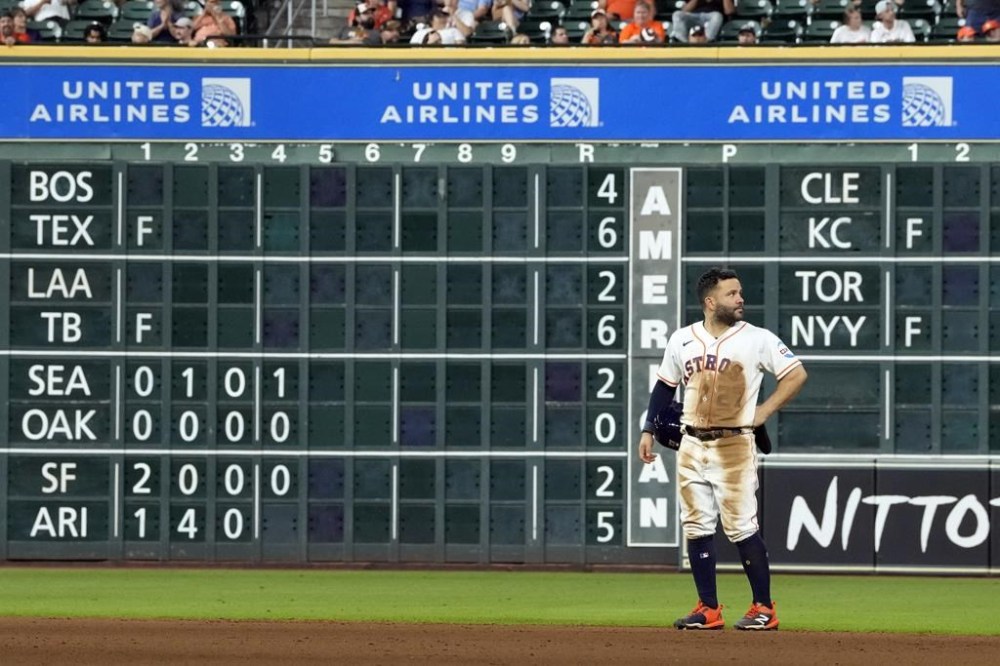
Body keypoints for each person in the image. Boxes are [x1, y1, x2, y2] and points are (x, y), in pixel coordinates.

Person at [638, 267, 807, 632]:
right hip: (690, 442)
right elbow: (664, 388)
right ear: (710, 302)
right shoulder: (682, 339)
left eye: (740, 292)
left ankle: (764, 607)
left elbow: (796, 374)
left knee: (741, 527)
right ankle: (708, 609)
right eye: (732, 294)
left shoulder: (757, 339)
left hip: (733, 444)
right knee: (696, 526)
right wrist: (649, 428)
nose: (740, 299)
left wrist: (763, 411)